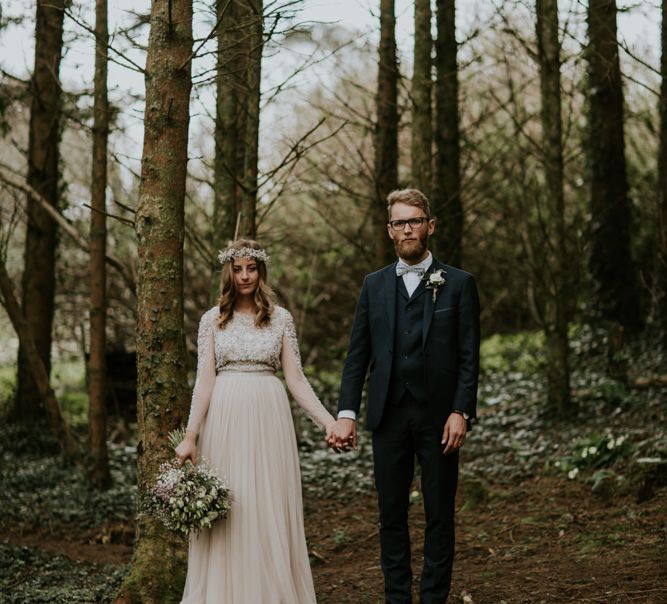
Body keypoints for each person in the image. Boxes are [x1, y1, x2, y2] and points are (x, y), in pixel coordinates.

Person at [330, 189, 480, 603]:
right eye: (399, 222)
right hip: (389, 416)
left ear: (429, 226)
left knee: (439, 515)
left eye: (415, 220)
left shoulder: (460, 284)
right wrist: (347, 413)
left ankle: (433, 598)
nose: (407, 228)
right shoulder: (373, 285)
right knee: (391, 515)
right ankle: (397, 597)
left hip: (439, 418)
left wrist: (461, 411)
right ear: (390, 230)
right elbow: (356, 357)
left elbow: (470, 357)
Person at [175, 239, 336, 603]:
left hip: (270, 416)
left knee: (267, 503)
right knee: (231, 505)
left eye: (252, 268)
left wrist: (327, 421)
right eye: (238, 269)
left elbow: (295, 379)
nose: (245, 275)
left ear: (261, 272)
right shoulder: (212, 319)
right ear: (229, 274)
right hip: (226, 416)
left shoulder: (280, 319)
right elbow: (204, 380)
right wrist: (190, 435)